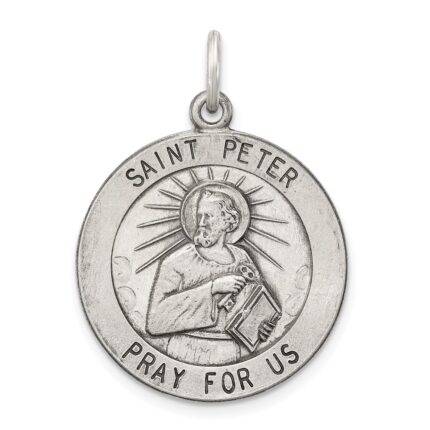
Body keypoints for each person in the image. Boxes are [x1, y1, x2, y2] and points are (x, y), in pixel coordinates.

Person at [146, 189, 275, 365]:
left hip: (229, 352)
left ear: (227, 221)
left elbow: (257, 303)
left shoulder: (242, 258)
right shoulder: (178, 260)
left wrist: (261, 327)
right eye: (199, 216)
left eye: (208, 216)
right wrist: (213, 287)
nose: (201, 223)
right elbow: (155, 321)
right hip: (186, 349)